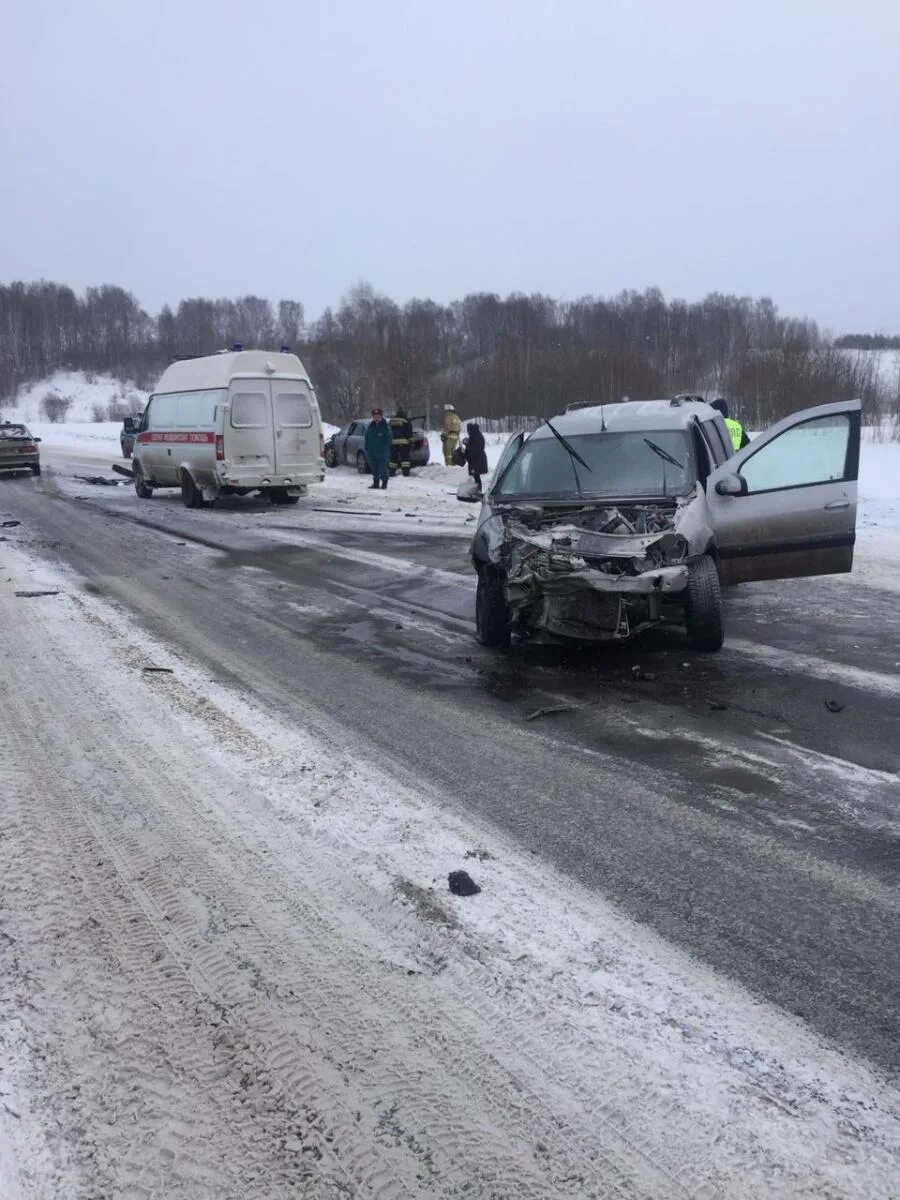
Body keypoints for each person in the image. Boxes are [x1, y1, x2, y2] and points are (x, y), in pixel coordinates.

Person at [364, 408, 393, 489]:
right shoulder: (370, 427)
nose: (376, 418)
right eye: (375, 416)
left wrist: (384, 449)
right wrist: (367, 447)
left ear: (381, 416)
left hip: (382, 454)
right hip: (372, 453)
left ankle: (384, 483)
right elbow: (367, 438)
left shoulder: (385, 427)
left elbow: (389, 440)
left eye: (378, 416)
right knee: (374, 469)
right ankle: (375, 483)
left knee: (383, 469)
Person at [462, 422, 488, 492]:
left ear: (470, 430)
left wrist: (468, 456)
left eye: (468, 431)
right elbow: (472, 446)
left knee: (476, 476)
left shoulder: (476, 436)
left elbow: (475, 449)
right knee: (476, 476)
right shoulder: (475, 435)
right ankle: (477, 490)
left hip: (477, 460)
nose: (468, 432)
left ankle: (478, 491)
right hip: (476, 459)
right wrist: (466, 443)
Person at [388, 406, 413, 477]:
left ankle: (391, 473)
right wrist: (411, 441)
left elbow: (388, 431)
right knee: (405, 459)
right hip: (404, 443)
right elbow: (409, 432)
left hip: (393, 443)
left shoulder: (391, 420)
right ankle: (406, 473)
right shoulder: (406, 420)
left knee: (393, 459)